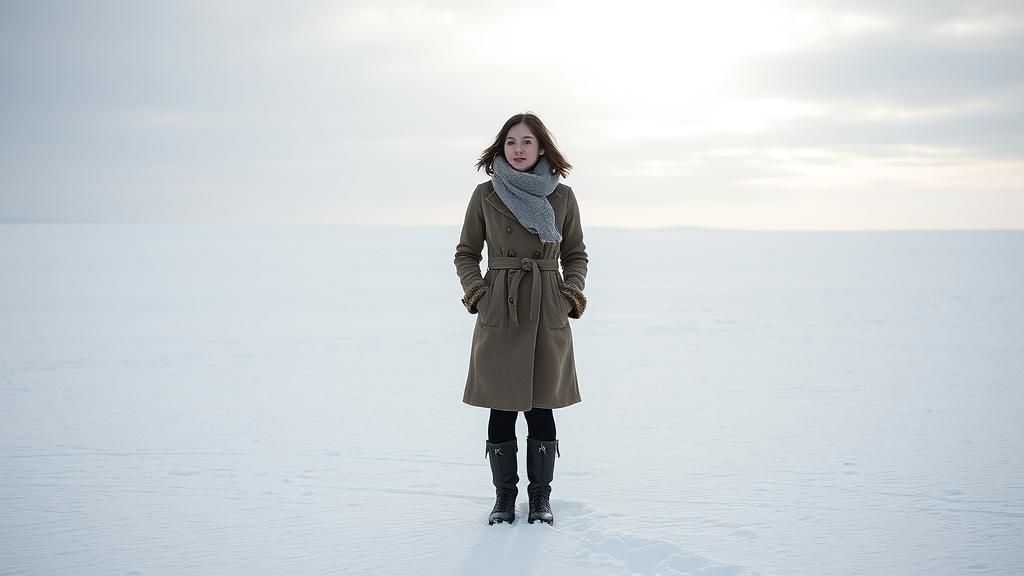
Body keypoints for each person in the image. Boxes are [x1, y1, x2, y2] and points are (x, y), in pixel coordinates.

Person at [454, 112, 589, 525]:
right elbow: (465, 253)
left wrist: (568, 295)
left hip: (546, 307)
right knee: (500, 407)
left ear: (541, 147)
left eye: (526, 141)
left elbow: (576, 255)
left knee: (541, 407)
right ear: (501, 147)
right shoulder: (485, 194)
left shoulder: (562, 197)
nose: (518, 149)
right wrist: (479, 292)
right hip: (502, 308)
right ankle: (504, 500)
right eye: (511, 141)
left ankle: (541, 499)